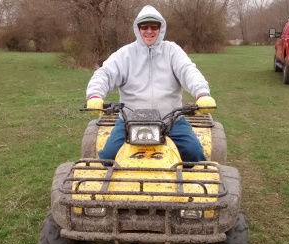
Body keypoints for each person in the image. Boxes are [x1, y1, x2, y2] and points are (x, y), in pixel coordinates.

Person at [85, 5, 216, 162]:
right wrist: (95, 95)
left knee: (194, 154)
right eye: (144, 26)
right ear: (138, 29)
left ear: (160, 29)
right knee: (108, 157)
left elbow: (188, 71)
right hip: (129, 122)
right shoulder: (125, 54)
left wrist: (202, 93)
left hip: (171, 121)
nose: (149, 31)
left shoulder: (172, 51)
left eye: (154, 26)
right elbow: (104, 73)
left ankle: (190, 185)